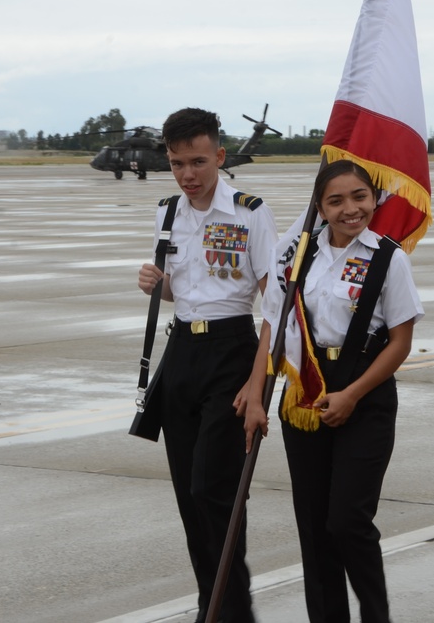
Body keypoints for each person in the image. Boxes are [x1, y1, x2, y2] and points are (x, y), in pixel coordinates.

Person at [241, 159, 423, 623]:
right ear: (319, 207)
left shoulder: (388, 257)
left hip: (364, 393)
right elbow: (274, 325)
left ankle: (376, 616)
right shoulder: (296, 254)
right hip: (305, 391)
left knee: (348, 522)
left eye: (359, 197)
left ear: (375, 199)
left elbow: (400, 342)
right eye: (336, 200)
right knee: (315, 529)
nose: (349, 209)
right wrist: (257, 393)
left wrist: (353, 394)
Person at [137, 107, 277, 623]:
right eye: (176, 163)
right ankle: (211, 607)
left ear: (219, 156)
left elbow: (275, 304)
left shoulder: (249, 212)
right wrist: (159, 285)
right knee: (188, 500)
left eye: (197, 161)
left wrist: (257, 383)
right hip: (183, 357)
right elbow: (186, 291)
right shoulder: (168, 212)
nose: (187, 174)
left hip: (232, 354)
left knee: (212, 491)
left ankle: (231, 611)